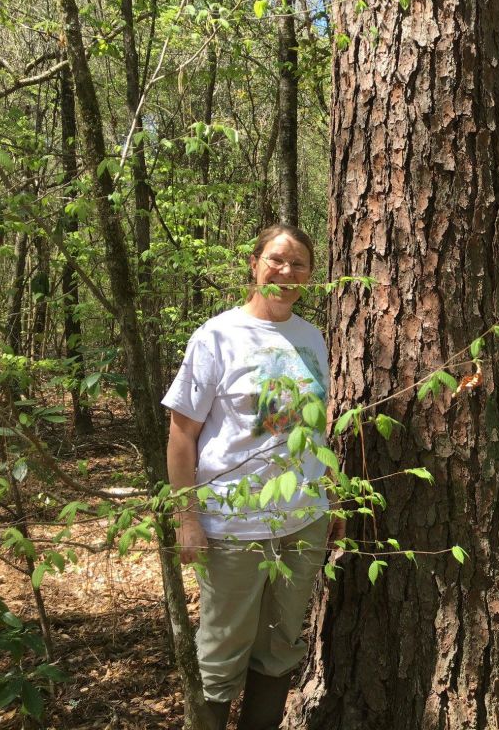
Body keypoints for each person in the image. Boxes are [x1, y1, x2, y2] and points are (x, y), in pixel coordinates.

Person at [163, 224, 340, 730]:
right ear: (255, 263)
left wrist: (330, 498)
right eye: (277, 260)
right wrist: (186, 518)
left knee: (282, 646)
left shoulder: (311, 337)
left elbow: (314, 429)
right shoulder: (217, 336)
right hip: (234, 525)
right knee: (221, 655)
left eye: (299, 263)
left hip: (302, 520)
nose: (287, 272)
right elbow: (181, 437)